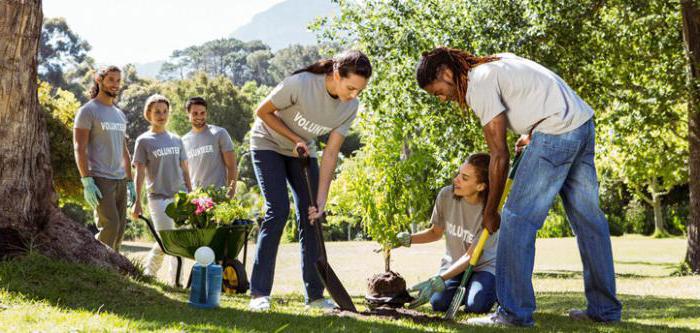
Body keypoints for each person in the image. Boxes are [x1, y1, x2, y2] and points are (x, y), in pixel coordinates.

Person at [415, 47, 622, 326]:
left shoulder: (479, 82)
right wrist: (530, 132)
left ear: (446, 73)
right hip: (581, 124)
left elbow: (498, 156)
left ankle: (513, 314)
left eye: (437, 91)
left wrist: (491, 211)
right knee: (589, 223)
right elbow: (539, 92)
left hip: (557, 133)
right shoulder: (498, 61)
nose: (441, 99)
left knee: (515, 219)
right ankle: (604, 310)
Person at [248, 50, 372, 311]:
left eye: (359, 91)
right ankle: (259, 293)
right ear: (336, 75)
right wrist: (296, 139)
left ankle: (314, 297)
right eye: (350, 87)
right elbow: (263, 111)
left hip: (303, 153)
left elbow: (331, 153)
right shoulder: (301, 84)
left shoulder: (350, 106)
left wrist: (321, 199)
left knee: (311, 216)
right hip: (267, 143)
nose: (353, 95)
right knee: (278, 210)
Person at [397, 153, 497, 315]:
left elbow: (471, 257)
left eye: (464, 178)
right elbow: (435, 232)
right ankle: (470, 288)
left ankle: (490, 288)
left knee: (476, 306)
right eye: (458, 173)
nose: (456, 179)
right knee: (438, 303)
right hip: (455, 266)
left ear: (481, 186)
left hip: (484, 267)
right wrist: (409, 239)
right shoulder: (446, 195)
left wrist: (440, 279)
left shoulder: (490, 213)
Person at [131, 94, 192, 284]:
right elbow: (139, 173)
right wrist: (136, 202)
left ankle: (176, 281)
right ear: (148, 113)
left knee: (179, 241)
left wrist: (192, 194)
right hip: (158, 198)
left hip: (181, 197)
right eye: (157, 111)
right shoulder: (144, 141)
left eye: (165, 111)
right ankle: (149, 274)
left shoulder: (176, 139)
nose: (161, 115)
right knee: (166, 240)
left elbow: (185, 169)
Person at [73, 66, 135, 251]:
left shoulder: (119, 114)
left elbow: (124, 150)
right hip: (100, 178)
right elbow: (79, 147)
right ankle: (97, 265)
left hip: (120, 179)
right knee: (110, 225)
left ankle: (113, 271)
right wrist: (87, 180)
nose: (115, 84)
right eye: (111, 80)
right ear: (99, 80)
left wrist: (130, 180)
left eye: (118, 80)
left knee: (120, 228)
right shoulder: (88, 111)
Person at [181, 97, 238, 197]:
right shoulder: (183, 141)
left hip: (219, 196)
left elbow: (232, 166)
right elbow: (185, 174)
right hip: (196, 199)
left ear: (206, 113)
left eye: (202, 113)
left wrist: (230, 195)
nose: (199, 116)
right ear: (188, 114)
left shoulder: (220, 133)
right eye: (195, 113)